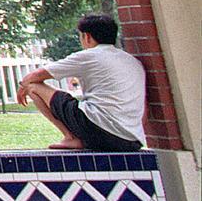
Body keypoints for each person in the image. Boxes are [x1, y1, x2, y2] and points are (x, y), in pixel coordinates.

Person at [17, 13, 145, 152]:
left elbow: (34, 76)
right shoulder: (133, 61)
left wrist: (23, 86)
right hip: (132, 140)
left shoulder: (89, 56)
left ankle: (70, 138)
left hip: (100, 132)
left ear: (87, 36)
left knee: (33, 87)